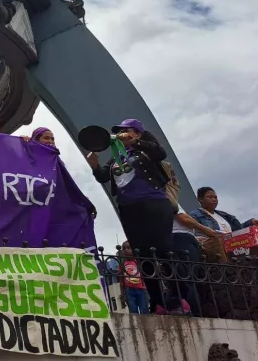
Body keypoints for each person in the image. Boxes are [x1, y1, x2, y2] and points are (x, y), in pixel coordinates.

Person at [86, 118, 176, 313]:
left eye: (126, 130)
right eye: (119, 131)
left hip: (154, 203)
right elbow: (104, 176)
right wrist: (94, 166)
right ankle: (157, 301)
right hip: (129, 209)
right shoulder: (117, 155)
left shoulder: (144, 150)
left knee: (164, 251)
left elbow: (161, 153)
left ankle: (176, 299)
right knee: (143, 255)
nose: (121, 133)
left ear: (137, 133)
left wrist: (134, 142)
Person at [172, 212, 220, 316]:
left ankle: (180, 307)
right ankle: (195, 312)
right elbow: (184, 219)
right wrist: (205, 230)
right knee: (189, 278)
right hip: (181, 239)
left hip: (177, 238)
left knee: (182, 277)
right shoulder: (171, 201)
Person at [189, 187, 257, 233]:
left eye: (215, 197)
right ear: (200, 199)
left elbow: (238, 230)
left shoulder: (224, 215)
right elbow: (196, 234)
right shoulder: (195, 215)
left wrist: (250, 222)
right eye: (210, 197)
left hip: (233, 247)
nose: (214, 199)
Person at [118, 241, 149, 314]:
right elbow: (121, 281)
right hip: (129, 290)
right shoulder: (122, 265)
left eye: (128, 248)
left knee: (144, 309)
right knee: (133, 311)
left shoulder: (138, 262)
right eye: (124, 248)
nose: (126, 250)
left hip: (141, 289)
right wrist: (122, 294)